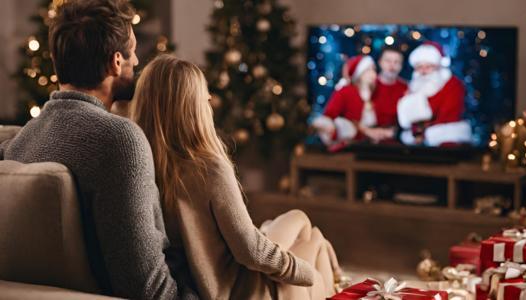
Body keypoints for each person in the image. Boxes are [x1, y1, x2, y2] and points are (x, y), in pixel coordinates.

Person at [0, 1, 196, 299]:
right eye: (132, 52)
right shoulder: (120, 140)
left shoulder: (23, 140)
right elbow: (148, 288)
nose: (137, 62)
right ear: (116, 62)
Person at [130, 55, 344, 300]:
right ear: (193, 106)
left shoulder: (141, 166)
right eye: (205, 96)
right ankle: (333, 279)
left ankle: (327, 269)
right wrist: (308, 273)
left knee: (301, 220)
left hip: (205, 283)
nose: (209, 101)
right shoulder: (208, 168)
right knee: (313, 239)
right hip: (238, 290)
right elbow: (251, 252)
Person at [397, 42, 472, 146]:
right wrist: (417, 133)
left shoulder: (452, 84)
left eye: (428, 67)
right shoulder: (413, 87)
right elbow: (412, 119)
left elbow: (449, 116)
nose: (423, 71)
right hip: (418, 140)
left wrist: (424, 135)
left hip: (446, 138)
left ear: (438, 67)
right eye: (419, 67)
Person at [312, 55, 394, 147]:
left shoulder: (378, 91)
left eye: (373, 69)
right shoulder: (345, 91)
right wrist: (365, 131)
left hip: (377, 138)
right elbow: (330, 114)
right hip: (353, 135)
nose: (372, 73)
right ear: (359, 73)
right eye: (368, 70)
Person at [372, 45, 408, 127]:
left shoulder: (406, 88)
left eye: (397, 62)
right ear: (380, 62)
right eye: (388, 61)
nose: (392, 66)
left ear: (401, 66)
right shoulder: (369, 85)